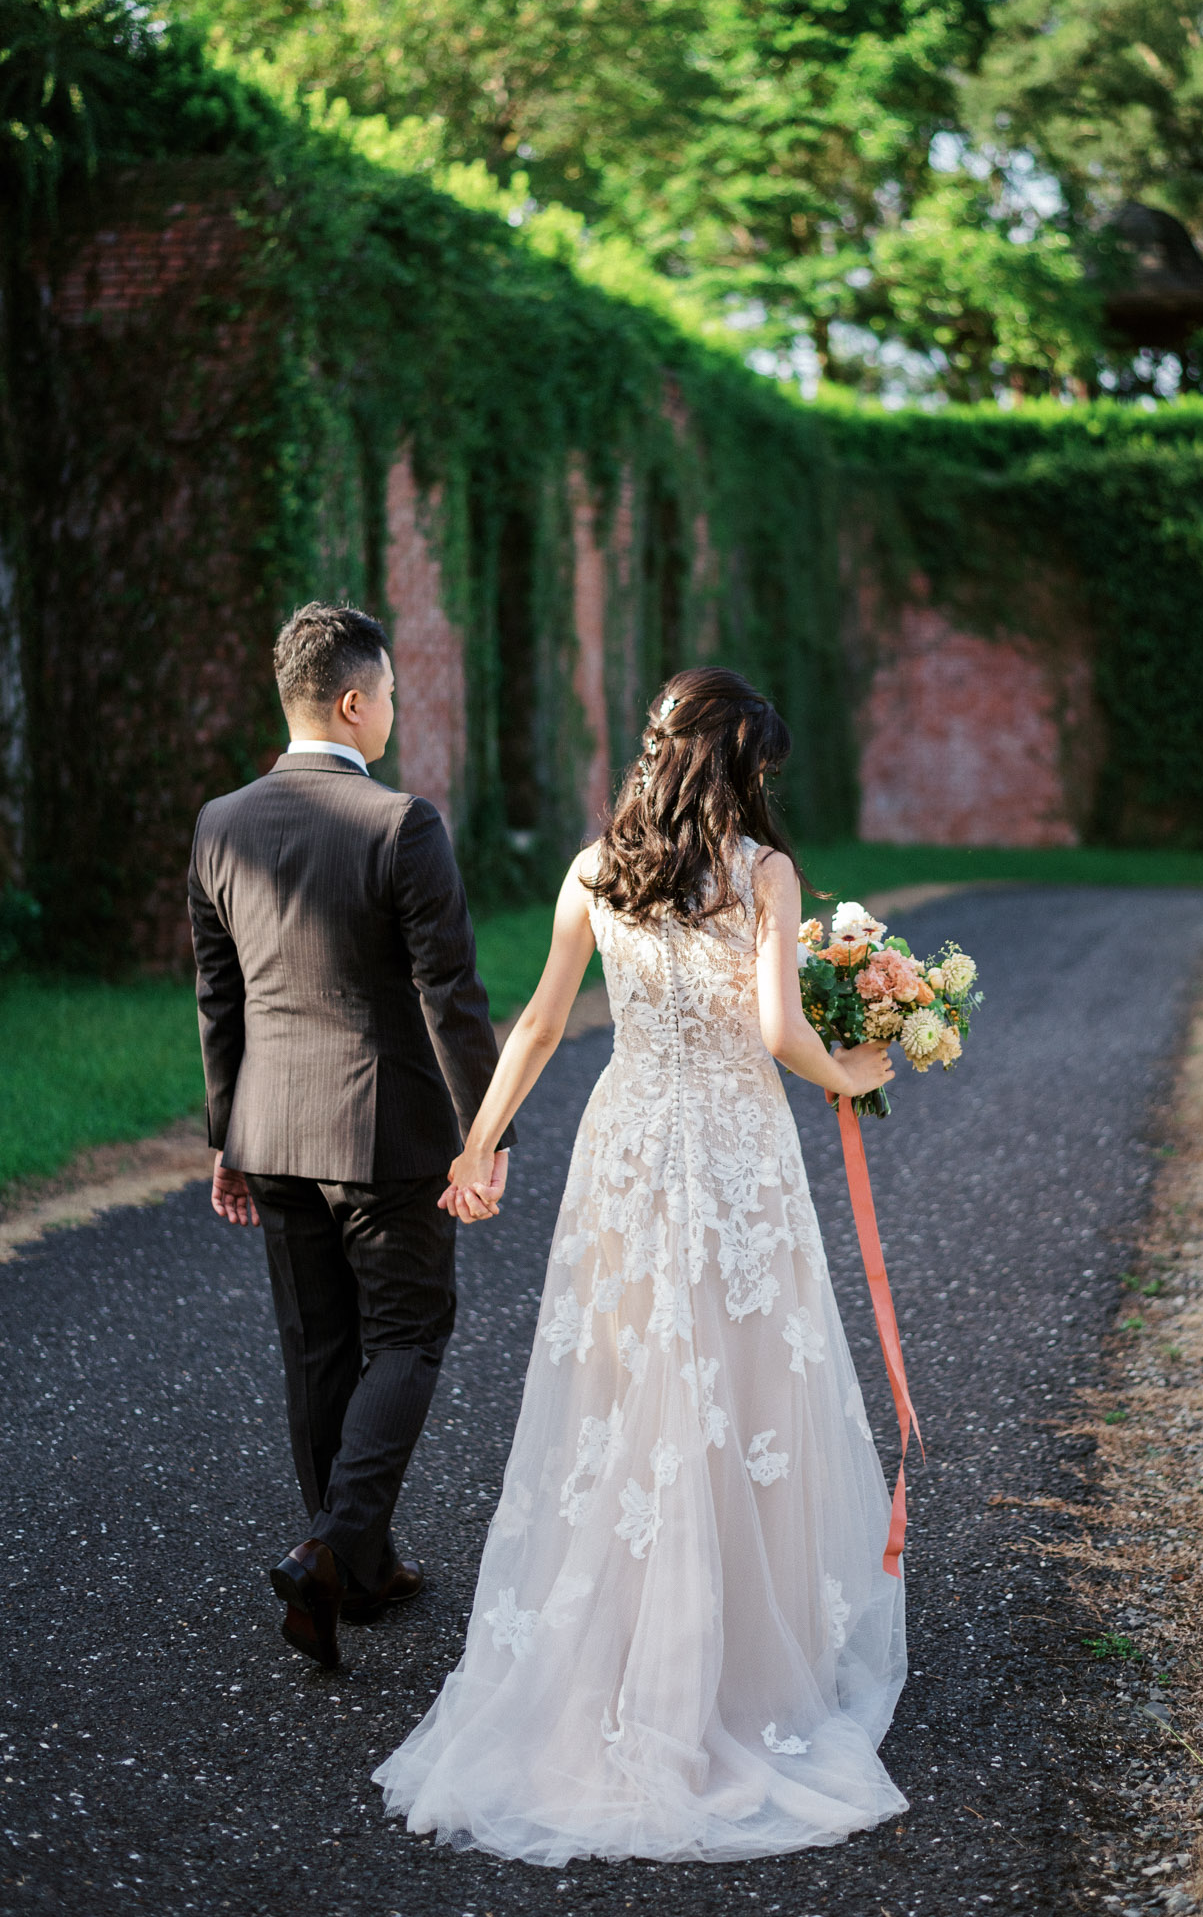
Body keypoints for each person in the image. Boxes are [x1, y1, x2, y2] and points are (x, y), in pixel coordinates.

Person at [375, 666, 908, 1864]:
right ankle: (729, 1664)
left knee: (634, 1383)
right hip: (728, 1147)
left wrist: (478, 1142)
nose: (766, 784)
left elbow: (544, 1025)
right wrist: (855, 1075)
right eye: (760, 765)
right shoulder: (762, 874)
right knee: (743, 1379)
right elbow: (778, 1034)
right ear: (736, 762)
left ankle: (632, 1647)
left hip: (626, 1146)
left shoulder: (591, 867)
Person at [188, 600, 512, 1672]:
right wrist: (485, 1132)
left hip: (272, 1131)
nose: (395, 717)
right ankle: (331, 1549)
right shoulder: (400, 824)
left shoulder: (220, 822)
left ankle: (356, 1573)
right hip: (391, 1136)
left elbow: (218, 996)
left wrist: (225, 1134)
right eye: (391, 700)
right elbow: (449, 993)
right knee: (409, 1336)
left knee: (318, 1349)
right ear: (354, 700)